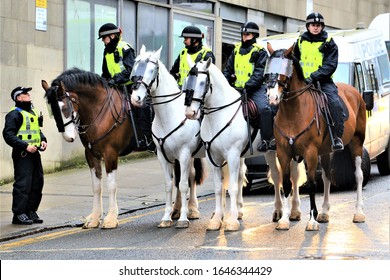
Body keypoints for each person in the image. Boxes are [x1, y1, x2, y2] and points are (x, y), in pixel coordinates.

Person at [98, 23, 155, 152]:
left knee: (141, 107)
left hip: (130, 88)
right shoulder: (107, 51)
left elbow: (130, 70)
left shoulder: (125, 48)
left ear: (112, 36)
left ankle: (148, 139)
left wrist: (115, 79)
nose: (103, 41)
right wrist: (103, 82)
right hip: (116, 87)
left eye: (104, 38)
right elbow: (105, 72)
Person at [293, 12, 344, 151]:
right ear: (308, 26)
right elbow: (293, 61)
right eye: (313, 25)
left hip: (323, 82)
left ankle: (336, 137)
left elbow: (330, 65)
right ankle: (277, 138)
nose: (316, 27)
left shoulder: (329, 43)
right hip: (303, 83)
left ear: (322, 27)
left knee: (335, 105)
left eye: (318, 25)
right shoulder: (299, 42)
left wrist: (314, 76)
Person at [223, 21, 275, 151]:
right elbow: (228, 70)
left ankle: (266, 140)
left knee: (265, 109)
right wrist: (225, 83)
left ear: (254, 35)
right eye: (243, 34)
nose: (245, 36)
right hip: (237, 89)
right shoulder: (235, 50)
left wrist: (247, 86)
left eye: (248, 34)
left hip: (255, 89)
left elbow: (259, 73)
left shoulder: (260, 52)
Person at [3, 87, 48, 225]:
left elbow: (36, 131)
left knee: (37, 183)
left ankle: (30, 211)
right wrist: (25, 146)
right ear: (18, 98)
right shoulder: (14, 114)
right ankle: (19, 214)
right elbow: (8, 135)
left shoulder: (32, 112)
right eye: (25, 94)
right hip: (22, 154)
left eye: (28, 93)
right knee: (23, 184)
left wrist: (43, 140)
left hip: (35, 153)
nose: (28, 95)